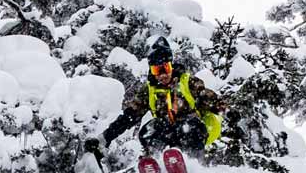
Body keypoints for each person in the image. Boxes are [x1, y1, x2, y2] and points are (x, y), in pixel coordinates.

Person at [85, 37, 225, 161]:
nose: (162, 75)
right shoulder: (149, 91)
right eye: (157, 71)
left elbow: (208, 97)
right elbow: (129, 116)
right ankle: (155, 161)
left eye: (165, 68)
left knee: (188, 127)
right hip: (169, 132)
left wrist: (227, 111)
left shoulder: (187, 82)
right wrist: (105, 138)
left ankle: (193, 164)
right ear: (152, 71)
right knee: (149, 130)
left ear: (171, 66)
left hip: (195, 131)